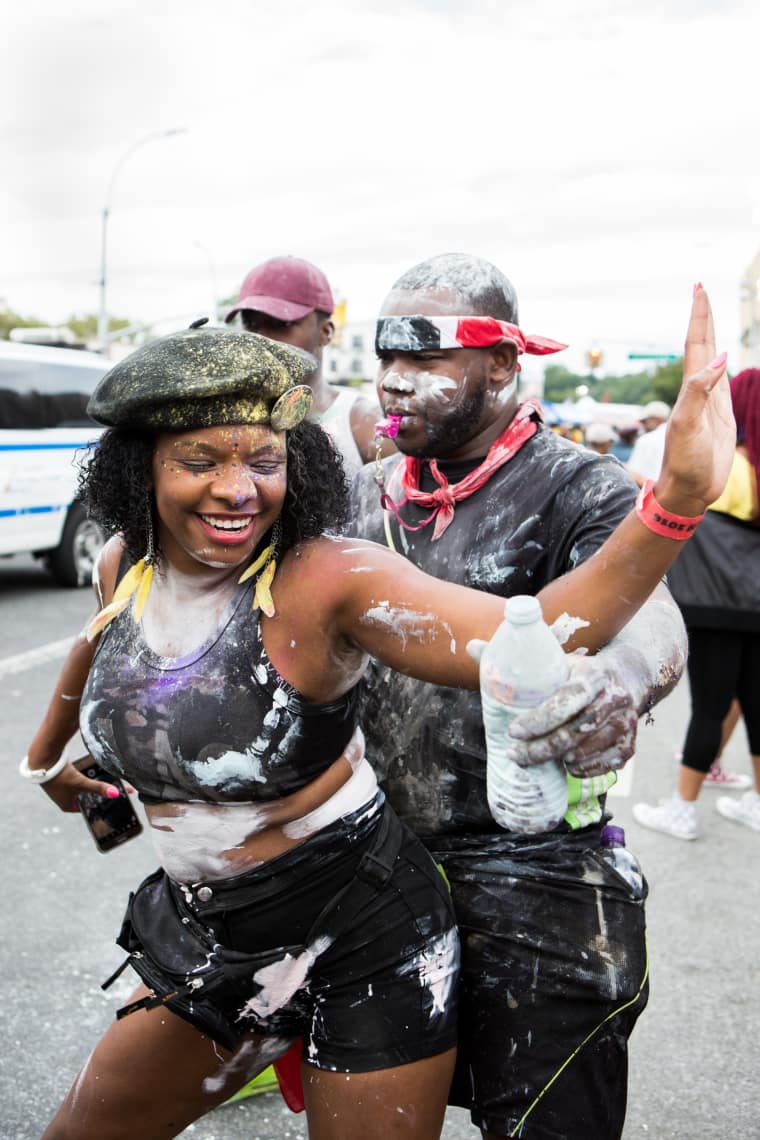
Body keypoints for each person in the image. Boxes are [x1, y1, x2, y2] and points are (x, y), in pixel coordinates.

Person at [24, 302, 728, 1140]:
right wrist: (47, 759)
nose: (238, 488)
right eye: (199, 462)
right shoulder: (124, 565)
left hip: (366, 932)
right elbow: (96, 643)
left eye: (264, 459)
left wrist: (675, 502)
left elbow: (533, 632)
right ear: (140, 471)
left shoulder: (329, 578)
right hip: (211, 928)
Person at [347, 252, 732, 1140]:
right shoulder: (363, 493)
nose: (395, 383)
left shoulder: (578, 487)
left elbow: (651, 619)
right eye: (385, 358)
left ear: (504, 367)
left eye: (427, 358)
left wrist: (618, 682)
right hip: (379, 870)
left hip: (539, 876)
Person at [634, 368, 760, 841]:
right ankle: (756, 803)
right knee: (755, 704)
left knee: (710, 707)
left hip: (717, 603)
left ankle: (683, 809)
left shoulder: (730, 469)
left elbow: (664, 495)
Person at [225, 254, 393, 474]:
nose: (262, 340)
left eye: (281, 324)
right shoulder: (226, 420)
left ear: (325, 332)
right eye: (251, 325)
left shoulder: (364, 426)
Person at [626, 398, 671, 486]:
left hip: (651, 494)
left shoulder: (646, 439)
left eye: (644, 421)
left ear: (655, 419)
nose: (643, 425)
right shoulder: (681, 437)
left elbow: (633, 474)